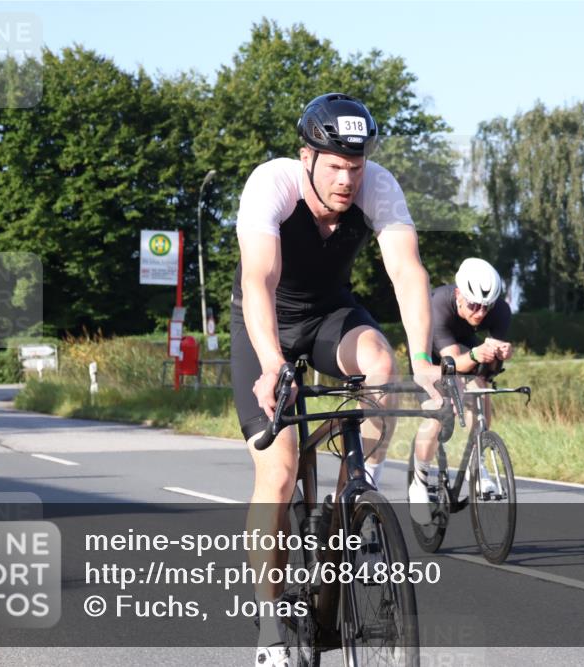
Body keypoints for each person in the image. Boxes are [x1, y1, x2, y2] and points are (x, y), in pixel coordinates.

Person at [229, 93, 441, 665]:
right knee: (278, 473)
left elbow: (407, 271)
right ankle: (270, 627)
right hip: (266, 325)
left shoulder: (379, 186)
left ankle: (358, 501)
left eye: (356, 165)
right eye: (335, 166)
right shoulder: (271, 184)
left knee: (383, 365)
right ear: (307, 158)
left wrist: (424, 359)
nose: (347, 179)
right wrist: (272, 364)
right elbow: (259, 278)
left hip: (329, 316)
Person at [408, 258, 513, 524]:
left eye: (486, 307)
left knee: (480, 389)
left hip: (465, 346)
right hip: (433, 356)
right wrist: (477, 355)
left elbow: (489, 369)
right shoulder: (439, 306)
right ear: (459, 294)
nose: (480, 313)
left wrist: (502, 354)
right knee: (437, 412)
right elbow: (452, 363)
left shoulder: (500, 311)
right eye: (474, 305)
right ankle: (419, 482)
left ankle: (479, 466)